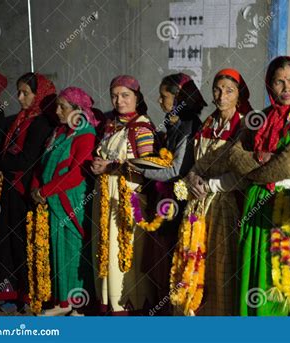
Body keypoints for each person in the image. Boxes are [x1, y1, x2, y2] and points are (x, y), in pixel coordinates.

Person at [229, 56, 290, 316]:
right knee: (255, 267)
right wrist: (260, 159)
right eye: (279, 82)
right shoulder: (259, 118)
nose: (286, 88)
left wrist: (256, 168)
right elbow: (235, 155)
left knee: (282, 272)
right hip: (256, 203)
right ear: (269, 86)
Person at [171, 69, 250, 315]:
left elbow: (244, 174)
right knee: (193, 263)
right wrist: (192, 176)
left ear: (239, 95)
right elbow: (197, 162)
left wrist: (212, 185)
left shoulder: (244, 125)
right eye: (217, 89)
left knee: (219, 267)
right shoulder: (209, 123)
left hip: (225, 207)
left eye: (229, 90)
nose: (222, 95)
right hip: (198, 206)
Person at [133, 73, 205, 315]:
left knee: (169, 256)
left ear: (179, 99)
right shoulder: (173, 122)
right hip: (163, 197)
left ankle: (168, 309)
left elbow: (176, 169)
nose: (159, 100)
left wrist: (138, 167)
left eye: (164, 96)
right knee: (157, 255)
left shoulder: (190, 127)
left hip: (176, 201)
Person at [0, 72, 56, 311]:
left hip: (26, 191)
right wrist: (0, 165)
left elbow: (27, 160)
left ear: (40, 95)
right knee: (4, 239)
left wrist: (1, 165)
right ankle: (6, 290)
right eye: (19, 92)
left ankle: (27, 294)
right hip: (8, 189)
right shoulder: (14, 121)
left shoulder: (43, 124)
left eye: (25, 93)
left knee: (23, 242)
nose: (19, 97)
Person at [91, 75, 156, 315]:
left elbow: (148, 165)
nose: (119, 101)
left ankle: (131, 305)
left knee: (127, 249)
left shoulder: (142, 126)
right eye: (114, 96)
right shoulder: (110, 125)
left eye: (125, 95)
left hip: (129, 199)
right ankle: (109, 303)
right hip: (106, 197)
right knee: (105, 248)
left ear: (137, 97)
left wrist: (110, 167)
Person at [30, 87, 98, 316]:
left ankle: (78, 302)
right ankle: (63, 301)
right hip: (53, 200)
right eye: (58, 106)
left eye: (63, 106)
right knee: (58, 249)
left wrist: (46, 191)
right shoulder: (60, 132)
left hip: (73, 201)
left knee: (74, 250)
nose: (57, 111)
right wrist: (37, 190)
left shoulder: (85, 133)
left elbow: (76, 174)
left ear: (78, 110)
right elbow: (44, 163)